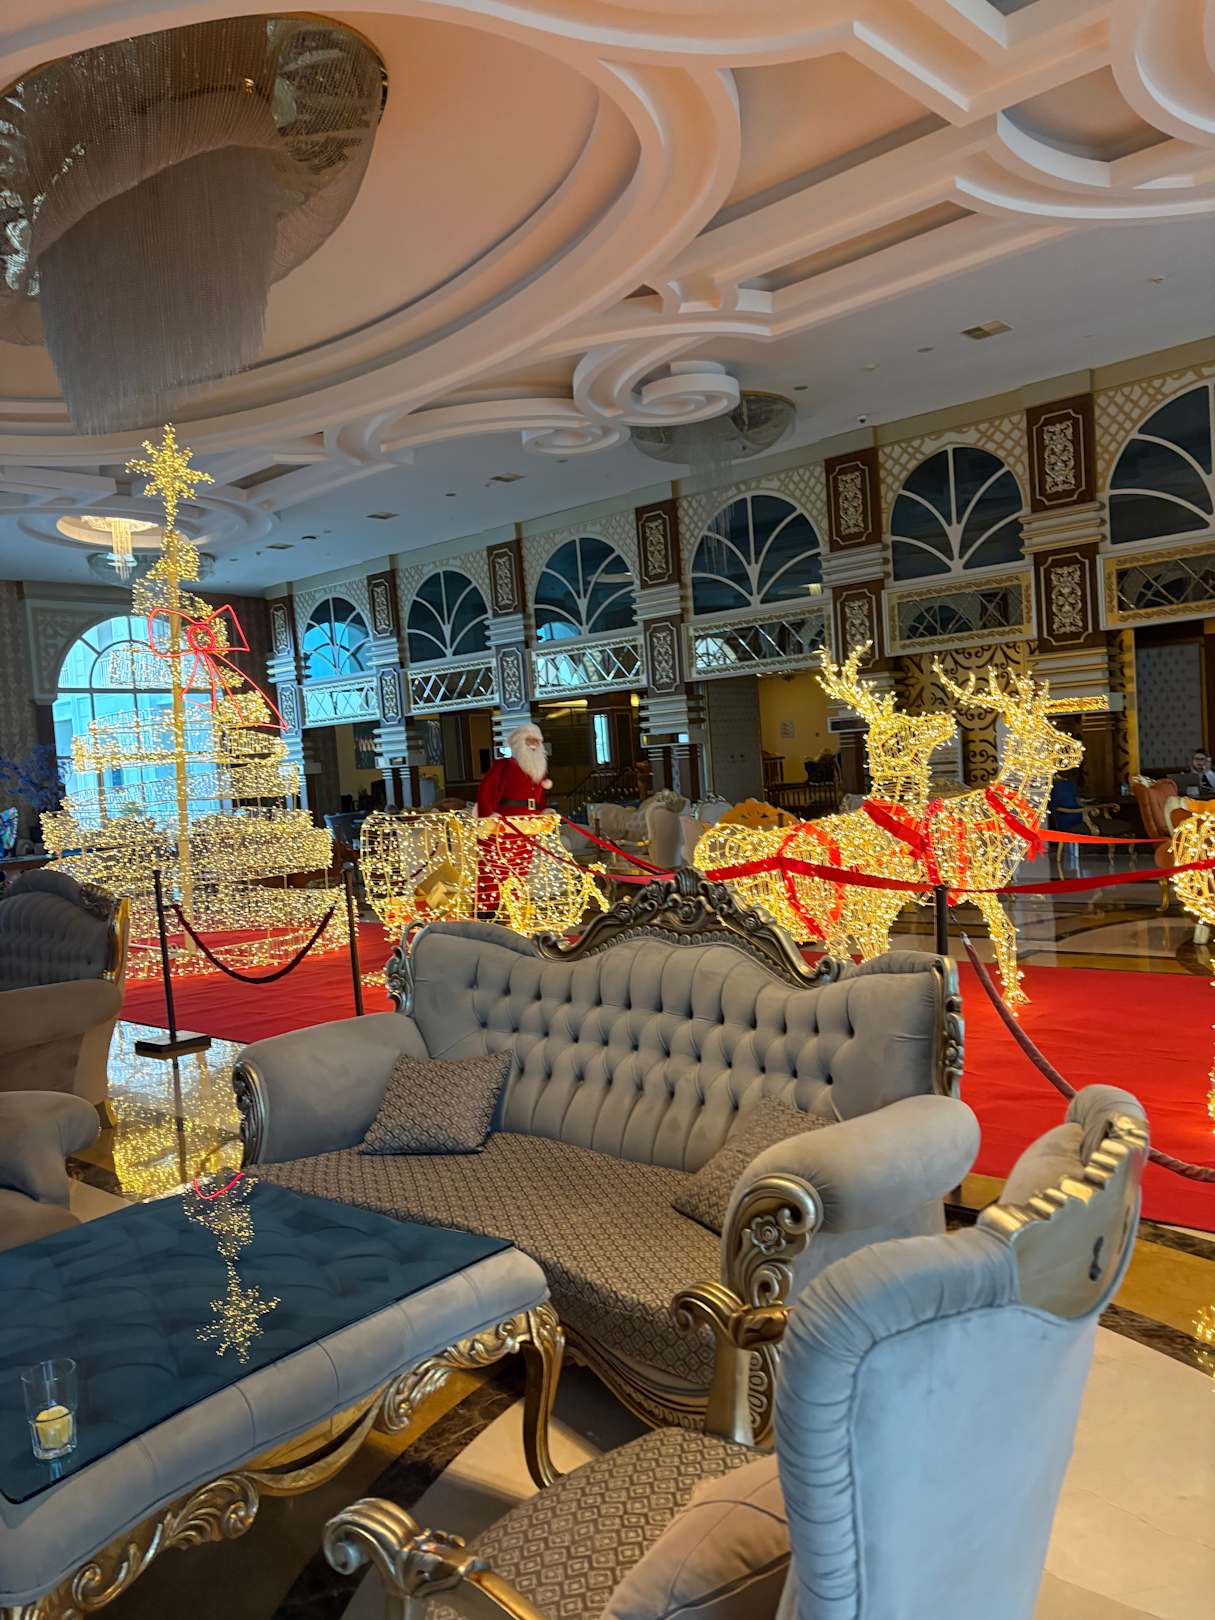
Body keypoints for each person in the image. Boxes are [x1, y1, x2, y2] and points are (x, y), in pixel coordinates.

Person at [474, 724, 554, 914]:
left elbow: (539, 799)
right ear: (519, 742)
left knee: (521, 867)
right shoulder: (503, 766)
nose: (533, 745)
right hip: (503, 824)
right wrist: (488, 816)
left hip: (529, 826)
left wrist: (544, 811)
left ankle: (512, 906)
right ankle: (488, 908)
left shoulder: (539, 771)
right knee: (495, 867)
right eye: (529, 740)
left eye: (537, 741)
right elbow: (486, 791)